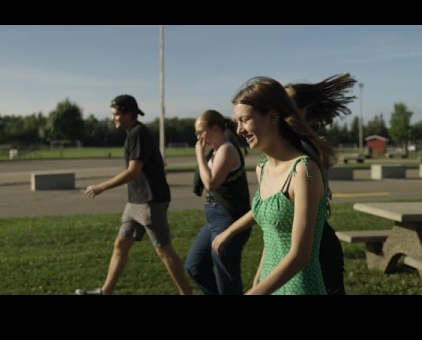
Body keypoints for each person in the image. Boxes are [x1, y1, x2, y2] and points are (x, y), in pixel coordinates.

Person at [212, 76, 337, 295]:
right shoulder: (262, 167)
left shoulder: (303, 170)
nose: (239, 130)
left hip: (299, 288)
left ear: (271, 117)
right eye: (237, 122)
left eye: (245, 120)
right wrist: (259, 279)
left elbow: (300, 254)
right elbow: (271, 237)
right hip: (270, 283)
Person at [75, 94, 192, 295]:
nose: (114, 118)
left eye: (116, 115)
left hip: (150, 201)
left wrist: (101, 187)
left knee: (164, 250)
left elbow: (133, 171)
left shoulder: (138, 133)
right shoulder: (132, 134)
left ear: (128, 114)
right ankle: (105, 292)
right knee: (121, 243)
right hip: (136, 201)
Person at [284, 73, 357, 295]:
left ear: (302, 110)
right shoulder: (292, 145)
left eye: (285, 103)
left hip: (319, 246)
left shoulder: (304, 150)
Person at [185, 110, 252, 295]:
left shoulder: (227, 150)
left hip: (229, 219)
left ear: (215, 128)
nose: (198, 137)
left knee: (226, 277)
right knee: (194, 266)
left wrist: (199, 154)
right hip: (214, 219)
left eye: (201, 132)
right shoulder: (216, 152)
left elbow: (211, 183)